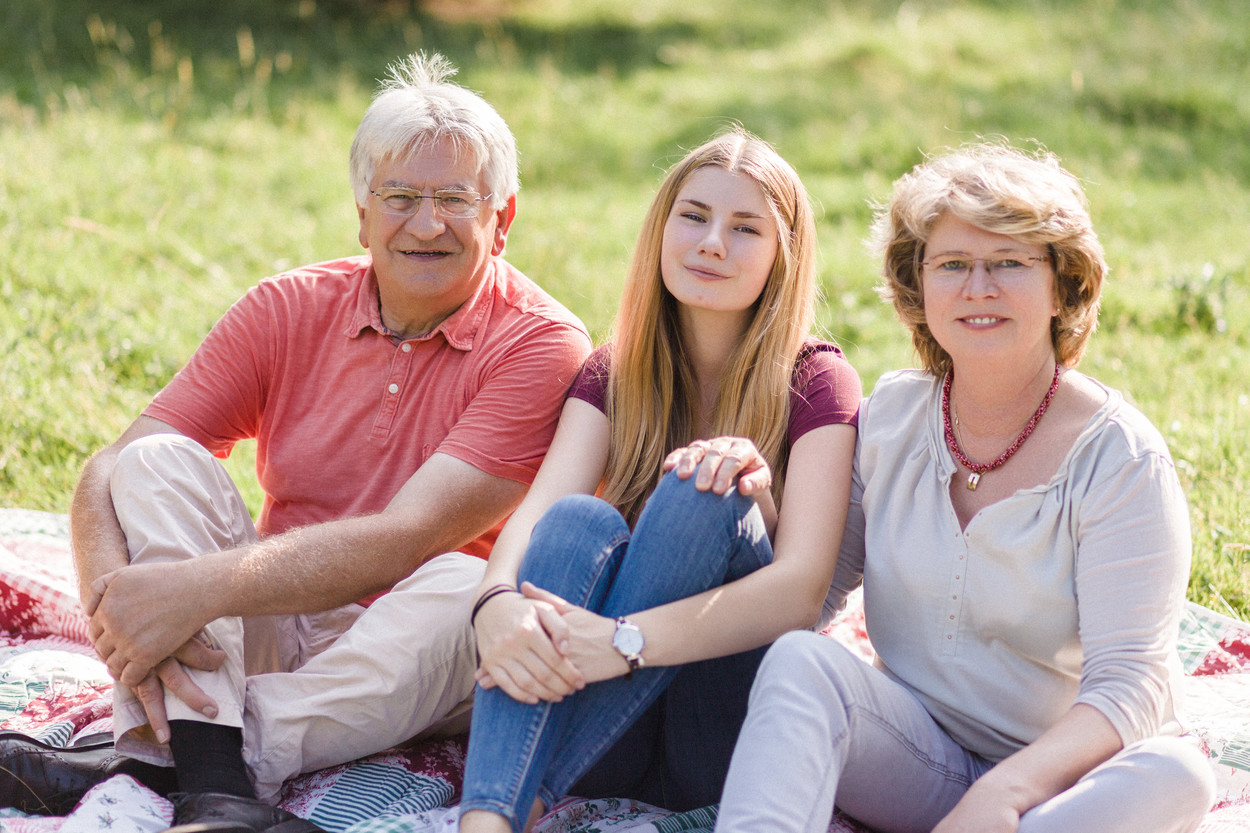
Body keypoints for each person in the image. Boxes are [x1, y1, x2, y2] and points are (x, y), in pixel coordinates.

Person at [0, 53, 591, 831]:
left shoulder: (542, 345)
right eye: (400, 196)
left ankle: (159, 758)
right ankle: (211, 786)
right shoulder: (288, 305)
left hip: (413, 650)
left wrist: (192, 590)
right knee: (153, 462)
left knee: (461, 583)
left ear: (502, 219)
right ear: (361, 215)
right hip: (271, 621)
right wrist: (118, 606)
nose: (425, 221)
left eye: (455, 198)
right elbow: (109, 464)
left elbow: (403, 539)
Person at [713, 143, 1217, 833]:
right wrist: (754, 500)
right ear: (919, 288)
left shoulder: (1121, 459)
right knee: (804, 664)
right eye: (951, 264)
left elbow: (1129, 687)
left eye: (1009, 261)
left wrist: (1003, 794)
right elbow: (814, 589)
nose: (978, 287)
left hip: (1059, 786)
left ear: (1062, 285)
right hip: (914, 755)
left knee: (1181, 776)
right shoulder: (891, 417)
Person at [455, 129, 862, 833]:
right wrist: (492, 601)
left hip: (725, 732)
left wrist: (623, 640)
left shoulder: (817, 380)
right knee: (579, 522)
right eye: (694, 216)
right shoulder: (617, 370)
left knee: (707, 486)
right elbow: (541, 510)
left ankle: (523, 794)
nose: (711, 243)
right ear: (661, 228)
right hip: (610, 739)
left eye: (745, 229)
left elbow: (801, 593)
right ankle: (486, 822)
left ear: (782, 256)